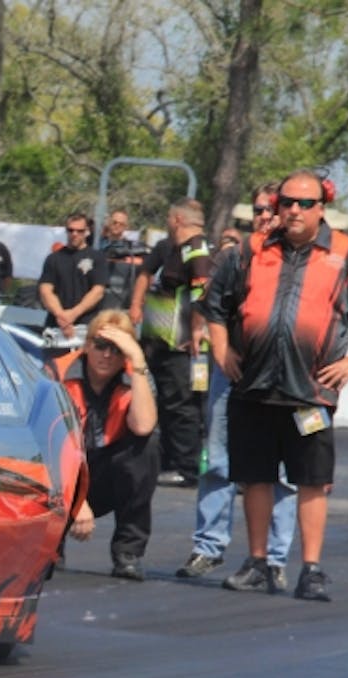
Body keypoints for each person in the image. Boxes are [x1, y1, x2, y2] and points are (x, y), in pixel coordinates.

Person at [201, 169, 348, 601]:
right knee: (253, 477)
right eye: (287, 202)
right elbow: (214, 306)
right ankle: (257, 563)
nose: (294, 210)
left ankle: (310, 570)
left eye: (304, 203)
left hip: (309, 395)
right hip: (253, 386)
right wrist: (221, 350)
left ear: (321, 208)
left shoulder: (347, 255)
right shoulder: (250, 251)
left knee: (311, 480)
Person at [177, 182, 297, 590]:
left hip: (283, 382)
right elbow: (209, 305)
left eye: (271, 209)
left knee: (281, 473)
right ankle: (208, 546)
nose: (264, 216)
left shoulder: (301, 261)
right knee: (217, 461)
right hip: (233, 376)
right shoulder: (235, 256)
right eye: (259, 210)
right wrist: (222, 350)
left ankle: (274, 560)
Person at [53, 310, 159, 580]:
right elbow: (49, 446)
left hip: (107, 474)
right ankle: (50, 548)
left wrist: (137, 360)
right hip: (62, 474)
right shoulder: (57, 374)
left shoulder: (136, 374)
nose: (107, 355)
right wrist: (76, 500)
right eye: (100, 346)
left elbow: (144, 425)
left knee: (147, 446)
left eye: (116, 349)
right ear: (87, 346)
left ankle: (128, 554)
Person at [134, 198, 212, 488]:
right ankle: (167, 462)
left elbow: (200, 295)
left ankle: (188, 467)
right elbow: (146, 275)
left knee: (183, 407)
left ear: (178, 219)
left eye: (169, 217)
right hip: (161, 342)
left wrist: (195, 331)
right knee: (167, 405)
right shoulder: (172, 249)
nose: (167, 222)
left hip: (183, 346)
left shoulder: (197, 250)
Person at [37, 212, 109, 337]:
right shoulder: (54, 258)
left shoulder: (97, 257)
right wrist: (61, 316)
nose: (74, 234)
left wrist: (73, 314)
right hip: (56, 325)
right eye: (70, 230)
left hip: (86, 325)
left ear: (87, 232)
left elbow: (98, 291)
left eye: (79, 231)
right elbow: (45, 290)